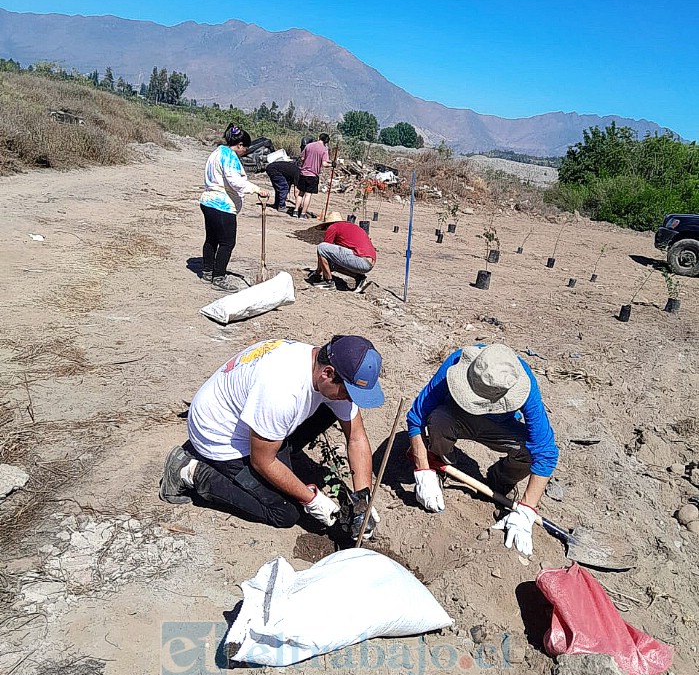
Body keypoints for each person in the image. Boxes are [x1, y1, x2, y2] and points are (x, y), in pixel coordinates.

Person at [160, 336, 385, 539]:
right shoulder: (282, 391)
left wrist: (362, 499)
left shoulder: (318, 365)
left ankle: (275, 440)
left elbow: (356, 437)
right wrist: (312, 499)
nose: (349, 399)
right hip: (218, 435)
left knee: (332, 407)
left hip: (254, 418)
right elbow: (263, 462)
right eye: (348, 392)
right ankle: (189, 471)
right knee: (286, 512)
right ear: (328, 373)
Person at [406, 343, 559, 557]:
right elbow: (416, 417)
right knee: (438, 419)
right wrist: (423, 470)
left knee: (529, 452)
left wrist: (527, 509)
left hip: (499, 426)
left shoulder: (524, 383)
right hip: (456, 417)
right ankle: (440, 464)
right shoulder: (455, 364)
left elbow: (546, 452)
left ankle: (500, 481)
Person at [199, 123, 269, 291]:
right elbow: (235, 182)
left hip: (208, 202)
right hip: (222, 205)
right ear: (239, 145)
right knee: (227, 242)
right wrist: (257, 189)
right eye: (245, 148)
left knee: (212, 239)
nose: (245, 152)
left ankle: (207, 271)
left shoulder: (216, 152)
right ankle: (218, 277)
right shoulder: (229, 156)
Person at [308, 213, 376, 293]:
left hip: (360, 259)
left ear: (328, 224)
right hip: (369, 262)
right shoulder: (351, 227)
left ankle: (328, 282)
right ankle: (359, 278)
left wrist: (317, 273)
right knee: (331, 263)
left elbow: (323, 252)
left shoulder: (333, 227)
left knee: (322, 247)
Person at [294, 132, 331, 219]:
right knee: (308, 195)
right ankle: (302, 214)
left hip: (303, 173)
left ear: (319, 137)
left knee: (300, 193)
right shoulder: (324, 150)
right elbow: (325, 164)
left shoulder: (309, 146)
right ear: (326, 141)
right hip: (313, 175)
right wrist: (332, 165)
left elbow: (302, 157)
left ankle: (295, 211)